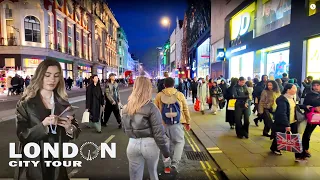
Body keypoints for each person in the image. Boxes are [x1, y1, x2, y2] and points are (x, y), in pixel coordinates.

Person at [15, 59, 80, 180]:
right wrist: (44, 125)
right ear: (40, 76)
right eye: (47, 75)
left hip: (57, 163)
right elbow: (22, 135)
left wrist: (69, 128)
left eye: (56, 76)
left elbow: (75, 130)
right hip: (35, 163)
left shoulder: (63, 103)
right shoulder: (25, 104)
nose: (52, 80)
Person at [122, 76, 170, 180]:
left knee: (135, 176)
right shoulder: (152, 108)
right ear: (148, 89)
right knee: (153, 173)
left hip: (132, 144)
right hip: (150, 144)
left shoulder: (126, 108)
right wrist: (166, 153)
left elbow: (124, 129)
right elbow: (159, 134)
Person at [154, 77, 191, 174]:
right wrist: (187, 122)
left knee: (165, 146)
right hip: (177, 124)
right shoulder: (180, 95)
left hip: (163, 124)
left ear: (164, 85)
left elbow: (155, 112)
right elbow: (186, 109)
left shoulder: (159, 95)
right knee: (179, 142)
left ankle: (167, 167)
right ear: (174, 84)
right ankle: (175, 163)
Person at [270, 83, 305, 161]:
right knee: (282, 136)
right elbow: (282, 113)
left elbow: (295, 106)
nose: (296, 90)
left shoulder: (292, 97)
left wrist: (305, 106)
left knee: (294, 137)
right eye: (294, 88)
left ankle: (298, 156)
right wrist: (287, 125)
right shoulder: (282, 99)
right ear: (288, 90)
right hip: (284, 122)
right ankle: (298, 156)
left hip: (293, 121)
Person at [301, 80, 320, 158]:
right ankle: (305, 149)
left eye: (317, 85)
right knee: (307, 133)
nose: (316, 87)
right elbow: (304, 105)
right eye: (314, 85)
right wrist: (312, 108)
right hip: (313, 117)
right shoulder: (309, 95)